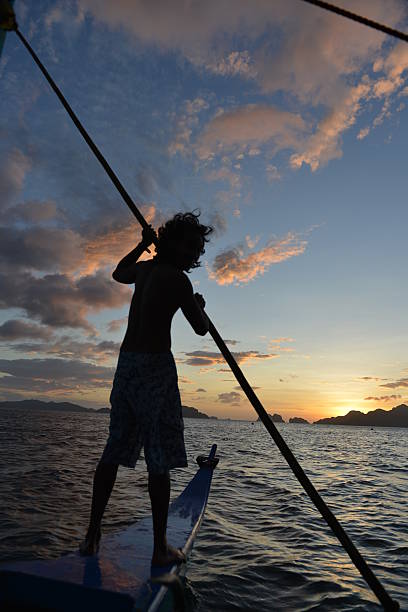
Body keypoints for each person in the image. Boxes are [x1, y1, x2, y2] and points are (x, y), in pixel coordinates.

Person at [80, 211, 212, 566]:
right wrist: (199, 305)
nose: (190, 253)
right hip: (153, 369)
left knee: (115, 449)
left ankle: (93, 535)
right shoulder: (178, 281)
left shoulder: (145, 270)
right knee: (158, 459)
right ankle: (156, 547)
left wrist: (141, 246)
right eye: (187, 245)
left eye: (195, 249)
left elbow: (119, 272)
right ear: (169, 242)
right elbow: (200, 329)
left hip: (127, 367)